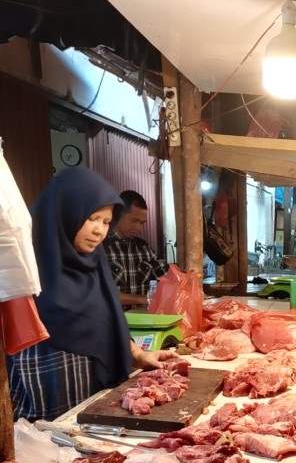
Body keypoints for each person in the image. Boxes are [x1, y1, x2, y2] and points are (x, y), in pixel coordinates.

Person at [7, 168, 179, 422]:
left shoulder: (94, 264)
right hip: (44, 395)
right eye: (92, 218)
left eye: (106, 222)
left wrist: (138, 355)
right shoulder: (23, 268)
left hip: (95, 398)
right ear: (66, 212)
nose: (99, 230)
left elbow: (108, 322)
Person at [104, 190, 167, 309]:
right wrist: (142, 299)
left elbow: (164, 276)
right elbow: (99, 293)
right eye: (134, 221)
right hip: (113, 323)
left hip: (144, 322)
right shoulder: (101, 247)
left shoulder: (144, 248)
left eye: (142, 223)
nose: (138, 227)